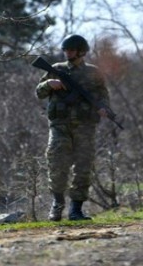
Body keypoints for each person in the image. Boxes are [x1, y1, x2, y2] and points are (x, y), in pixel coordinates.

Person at [36, 34, 110, 221]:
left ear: (81, 51)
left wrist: (103, 109)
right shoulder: (56, 69)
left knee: (83, 168)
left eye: (71, 50)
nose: (67, 53)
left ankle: (76, 209)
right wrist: (48, 83)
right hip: (60, 126)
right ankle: (57, 205)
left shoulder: (94, 73)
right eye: (66, 50)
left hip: (85, 127)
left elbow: (103, 97)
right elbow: (39, 92)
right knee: (57, 164)